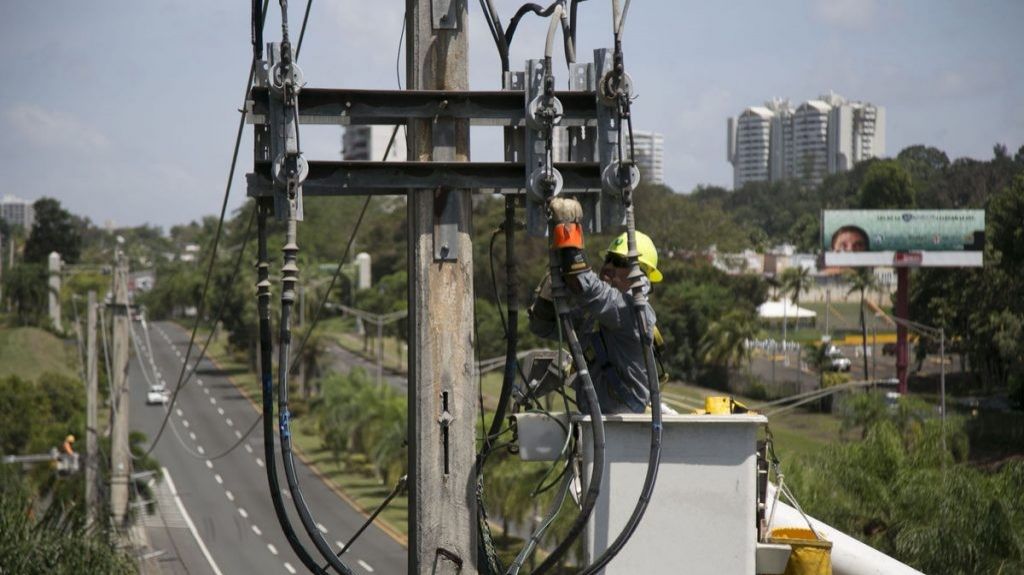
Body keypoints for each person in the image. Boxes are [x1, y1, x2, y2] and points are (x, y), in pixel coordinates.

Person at [528, 198, 661, 415]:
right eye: (608, 259)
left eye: (619, 263)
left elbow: (587, 287)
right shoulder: (594, 317)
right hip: (597, 423)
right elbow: (542, 327)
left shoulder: (633, 313)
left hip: (625, 426)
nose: (608, 266)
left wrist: (568, 227)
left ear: (640, 276)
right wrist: (548, 293)